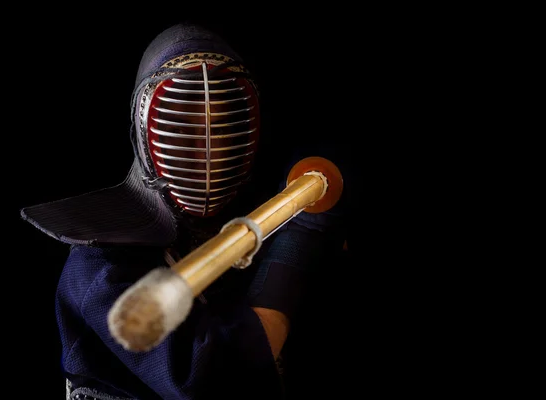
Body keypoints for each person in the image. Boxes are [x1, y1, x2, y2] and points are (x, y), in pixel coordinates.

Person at [20, 22, 348, 400]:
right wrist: (298, 245)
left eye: (222, 127)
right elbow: (214, 374)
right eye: (185, 127)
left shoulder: (262, 221)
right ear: (146, 132)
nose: (206, 149)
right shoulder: (97, 267)